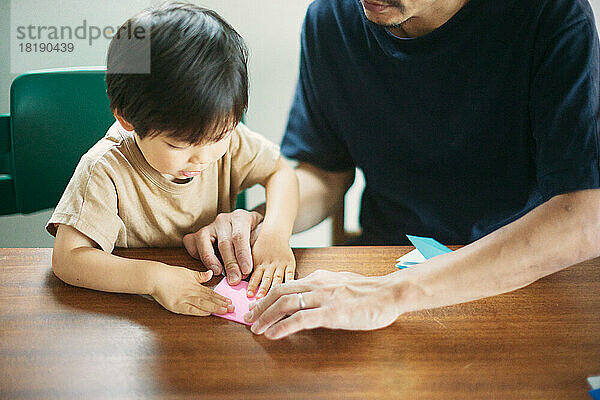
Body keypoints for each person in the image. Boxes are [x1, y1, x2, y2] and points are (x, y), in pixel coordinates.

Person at [183, 0, 600, 339]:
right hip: (380, 266)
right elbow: (324, 174)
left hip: (521, 279)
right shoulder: (330, 18)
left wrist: (394, 294)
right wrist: (267, 223)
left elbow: (584, 216)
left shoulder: (552, 15)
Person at [47, 2, 299, 316]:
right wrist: (153, 278)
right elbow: (68, 259)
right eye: (179, 145)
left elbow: (282, 172)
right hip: (134, 314)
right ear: (127, 119)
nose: (203, 157)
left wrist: (275, 233)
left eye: (219, 137)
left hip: (208, 304)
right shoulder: (105, 169)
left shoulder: (224, 135)